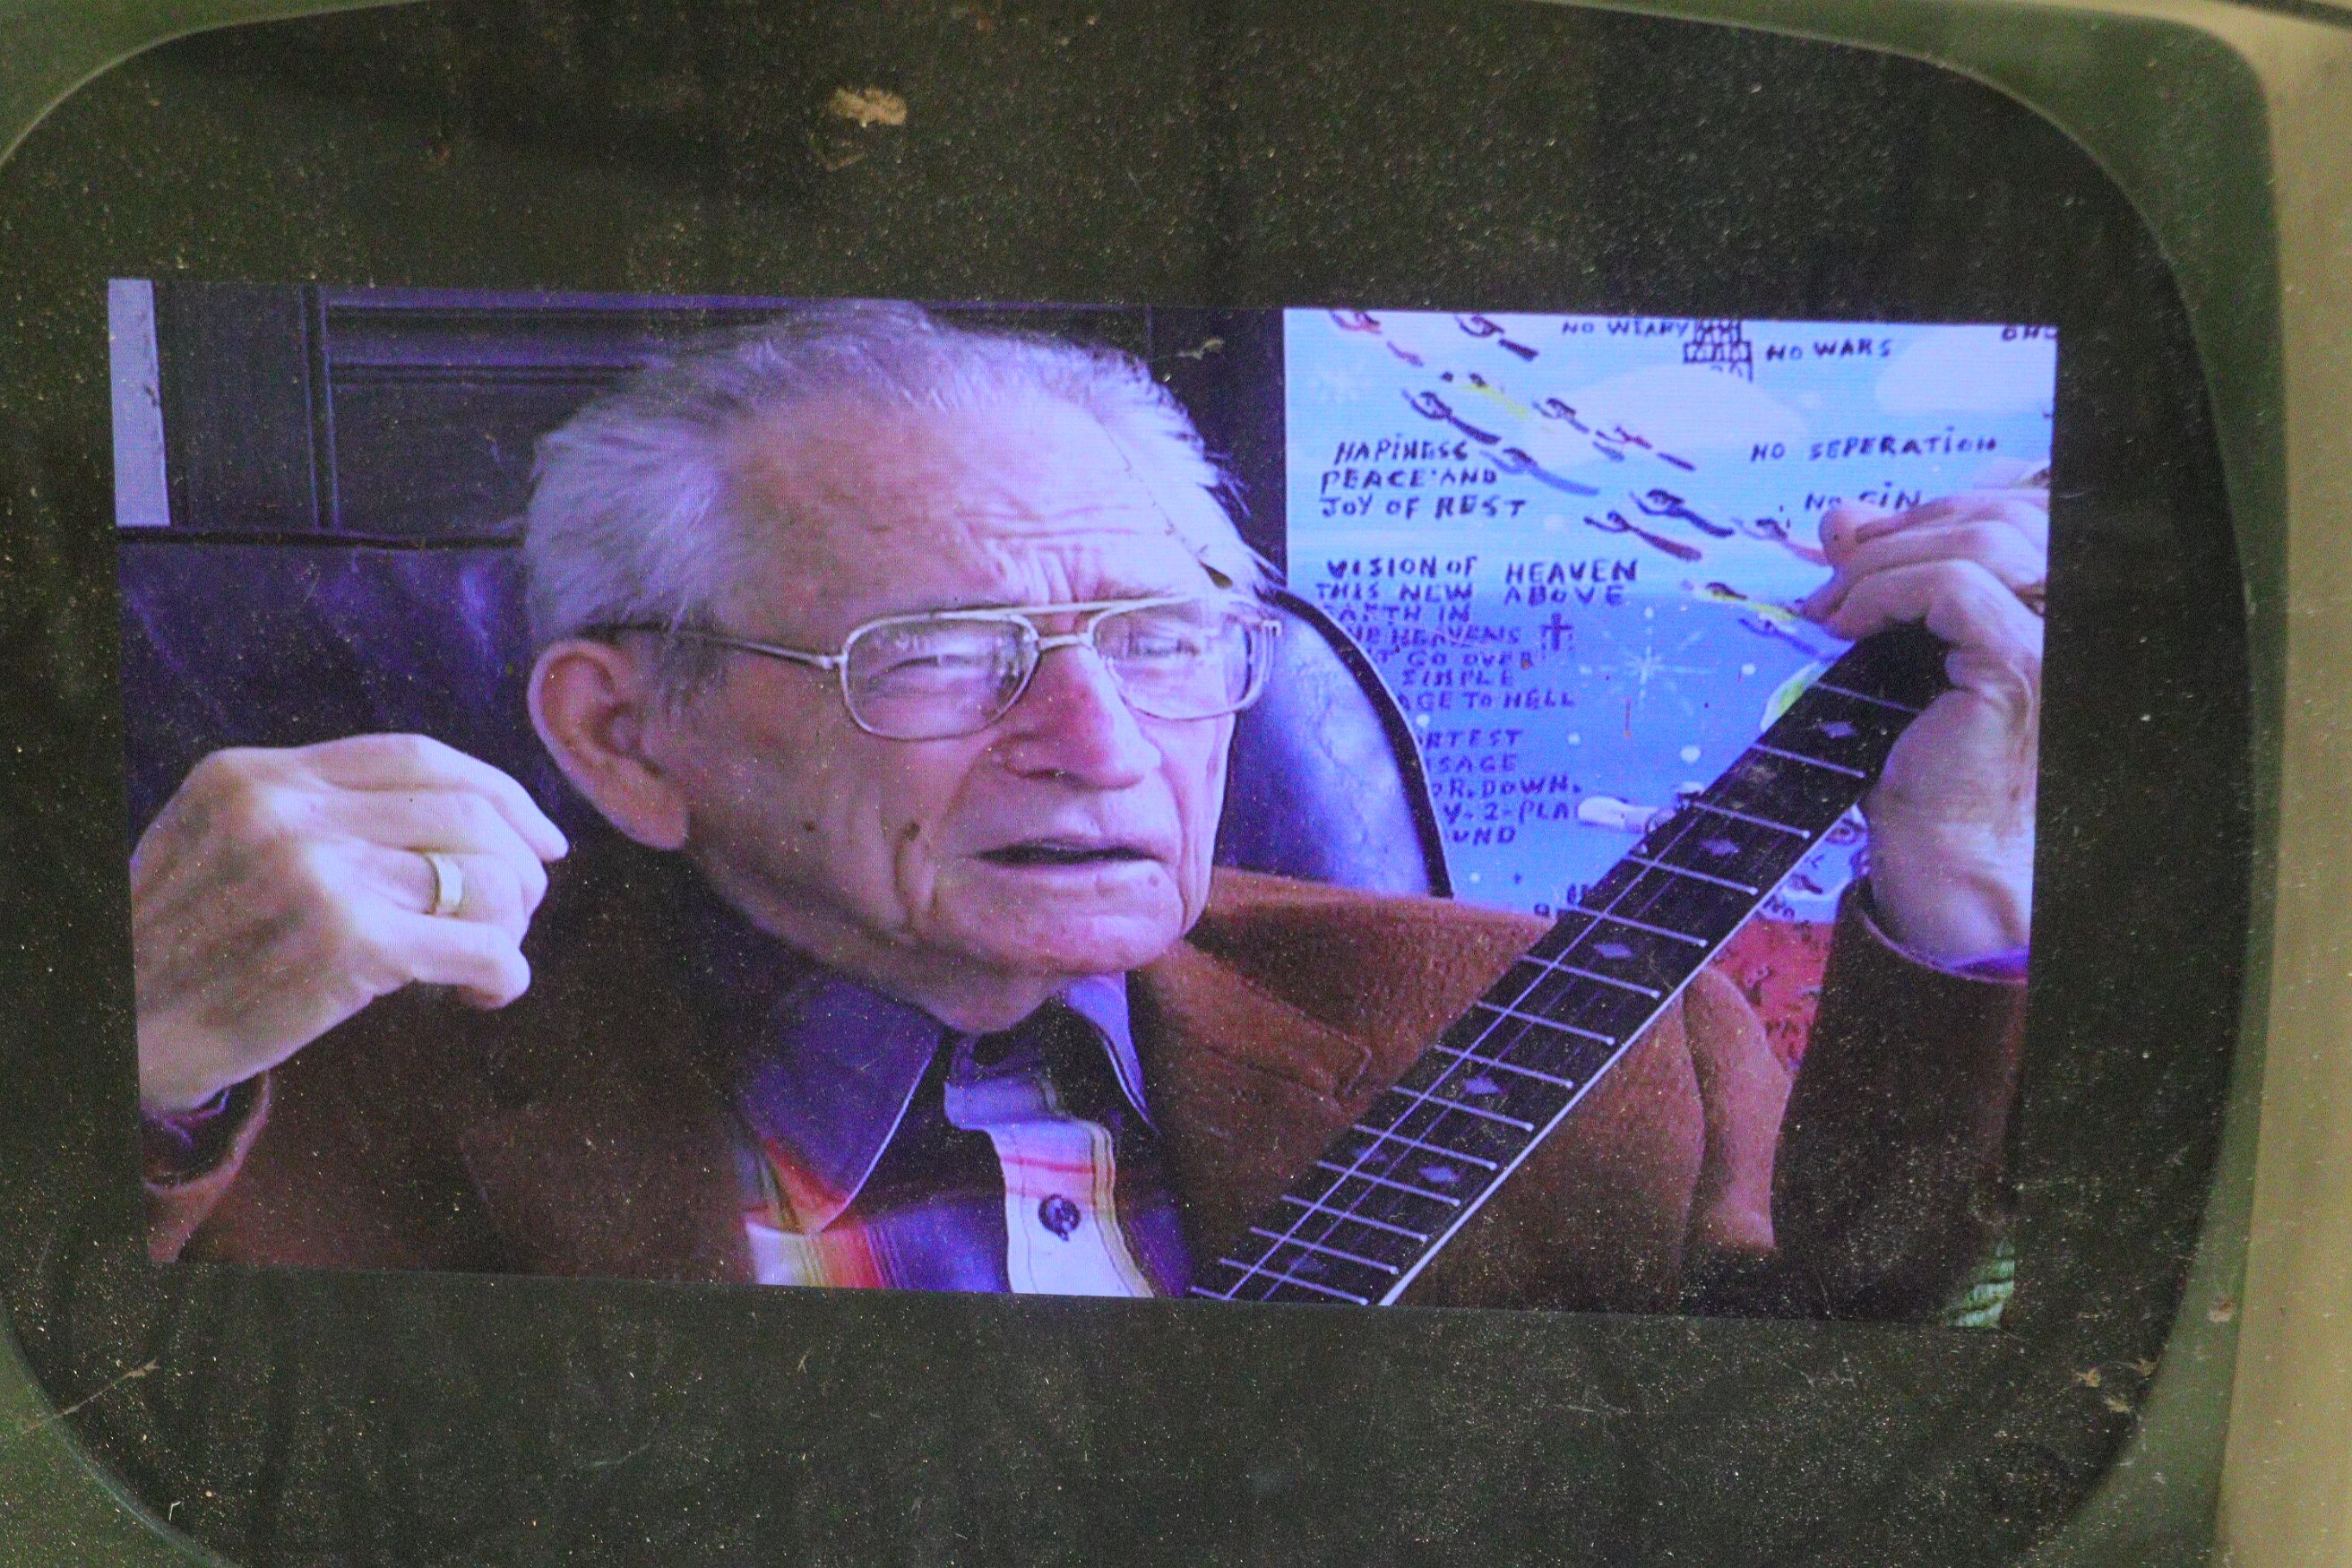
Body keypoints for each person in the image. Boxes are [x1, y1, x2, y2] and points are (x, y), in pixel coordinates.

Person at [130, 303, 2042, 1314]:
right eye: (945, 654)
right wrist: (124, 1059)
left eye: (1161, 639)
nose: (1102, 741)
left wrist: (1952, 878)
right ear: (626, 735)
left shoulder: (1584, 1040)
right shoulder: (296, 1099)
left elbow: (1861, 1422)